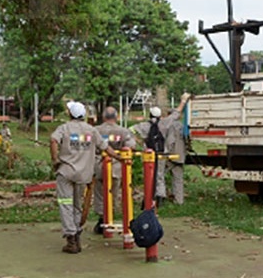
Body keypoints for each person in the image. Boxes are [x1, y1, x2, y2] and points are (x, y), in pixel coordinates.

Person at [50, 101, 124, 254]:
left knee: (65, 203)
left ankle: (71, 237)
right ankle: (76, 232)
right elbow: (106, 148)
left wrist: (55, 160)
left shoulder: (64, 128)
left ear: (70, 114)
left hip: (66, 172)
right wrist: (120, 158)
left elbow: (53, 140)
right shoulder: (91, 131)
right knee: (78, 204)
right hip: (83, 174)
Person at [132, 93, 190, 206]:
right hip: (161, 153)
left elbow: (130, 131)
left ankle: (150, 197)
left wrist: (141, 141)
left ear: (150, 115)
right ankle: (160, 198)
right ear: (160, 116)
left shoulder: (144, 125)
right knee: (160, 175)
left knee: (149, 175)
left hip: (149, 154)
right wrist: (183, 101)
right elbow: (176, 114)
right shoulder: (164, 123)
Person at [92, 106, 136, 234]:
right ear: (116, 117)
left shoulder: (96, 130)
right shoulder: (122, 131)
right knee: (113, 193)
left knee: (100, 194)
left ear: (104, 117)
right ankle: (110, 216)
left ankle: (102, 219)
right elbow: (131, 146)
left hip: (99, 166)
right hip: (116, 167)